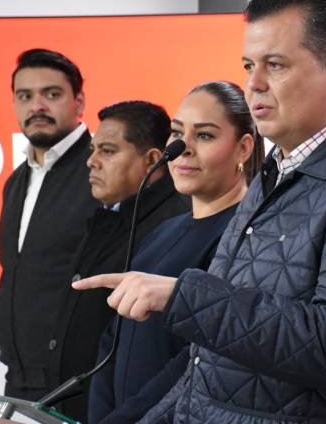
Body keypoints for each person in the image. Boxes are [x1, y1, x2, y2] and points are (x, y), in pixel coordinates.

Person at [74, 0, 326, 423]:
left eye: (276, 65)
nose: (254, 84)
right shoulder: (277, 173)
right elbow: (208, 368)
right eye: (250, 66)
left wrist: (183, 296)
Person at [88, 82, 263, 424]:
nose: (184, 149)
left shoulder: (248, 237)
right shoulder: (162, 232)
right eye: (178, 133)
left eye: (205, 135)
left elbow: (196, 360)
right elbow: (114, 336)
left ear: (243, 148)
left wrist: (126, 420)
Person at [50, 100, 190, 422]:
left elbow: (164, 356)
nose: (91, 161)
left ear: (152, 160)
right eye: (93, 150)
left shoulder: (175, 225)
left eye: (108, 151)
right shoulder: (112, 214)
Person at [0, 48, 99, 404]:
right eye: (25, 96)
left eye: (51, 94)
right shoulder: (16, 180)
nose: (37, 106)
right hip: (18, 376)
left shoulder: (103, 172)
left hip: (80, 382)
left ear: (79, 102)